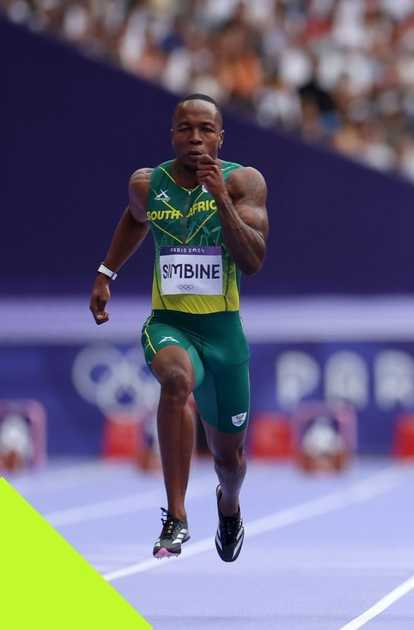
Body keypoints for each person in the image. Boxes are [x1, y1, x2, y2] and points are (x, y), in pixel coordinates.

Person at [89, 94, 270, 561]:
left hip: (224, 336)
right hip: (169, 325)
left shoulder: (244, 182)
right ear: (172, 133)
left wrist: (221, 199)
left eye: (205, 130)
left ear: (220, 137)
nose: (195, 138)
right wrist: (106, 273)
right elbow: (134, 219)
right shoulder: (149, 184)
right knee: (175, 381)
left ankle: (228, 507)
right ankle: (176, 514)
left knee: (230, 461)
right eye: (186, 129)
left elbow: (252, 260)